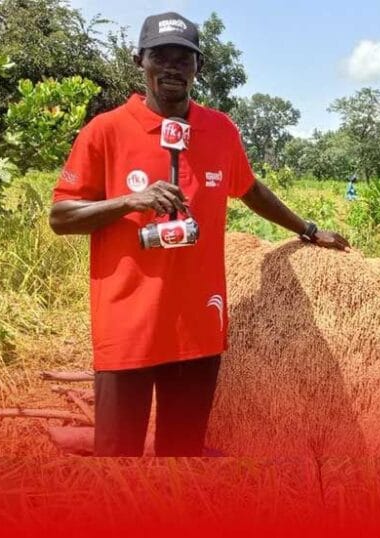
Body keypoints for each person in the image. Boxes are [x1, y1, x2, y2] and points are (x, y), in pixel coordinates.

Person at [48, 12, 351, 457]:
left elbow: (250, 190)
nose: (172, 67)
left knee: (184, 456)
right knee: (116, 457)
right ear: (139, 60)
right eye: (160, 56)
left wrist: (307, 229)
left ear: (198, 68)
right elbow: (61, 216)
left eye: (183, 59)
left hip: (197, 328)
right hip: (128, 326)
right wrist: (130, 202)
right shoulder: (106, 131)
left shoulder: (220, 130)